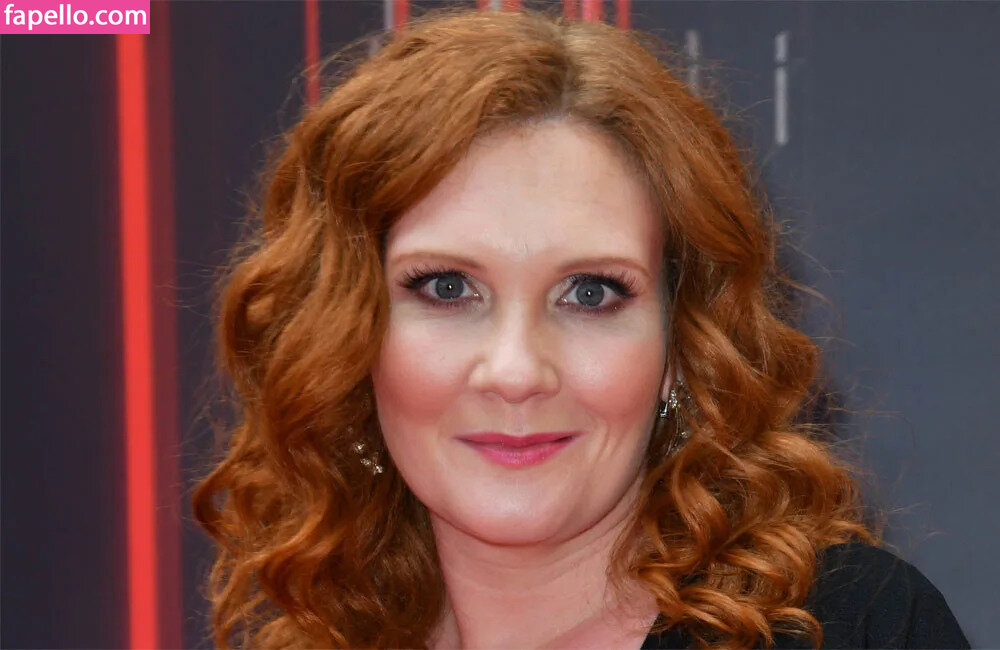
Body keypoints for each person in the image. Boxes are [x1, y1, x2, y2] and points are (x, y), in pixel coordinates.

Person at [191, 7, 969, 649]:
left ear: (681, 346)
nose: (516, 371)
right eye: (448, 287)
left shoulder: (849, 627)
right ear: (346, 336)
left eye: (590, 293)